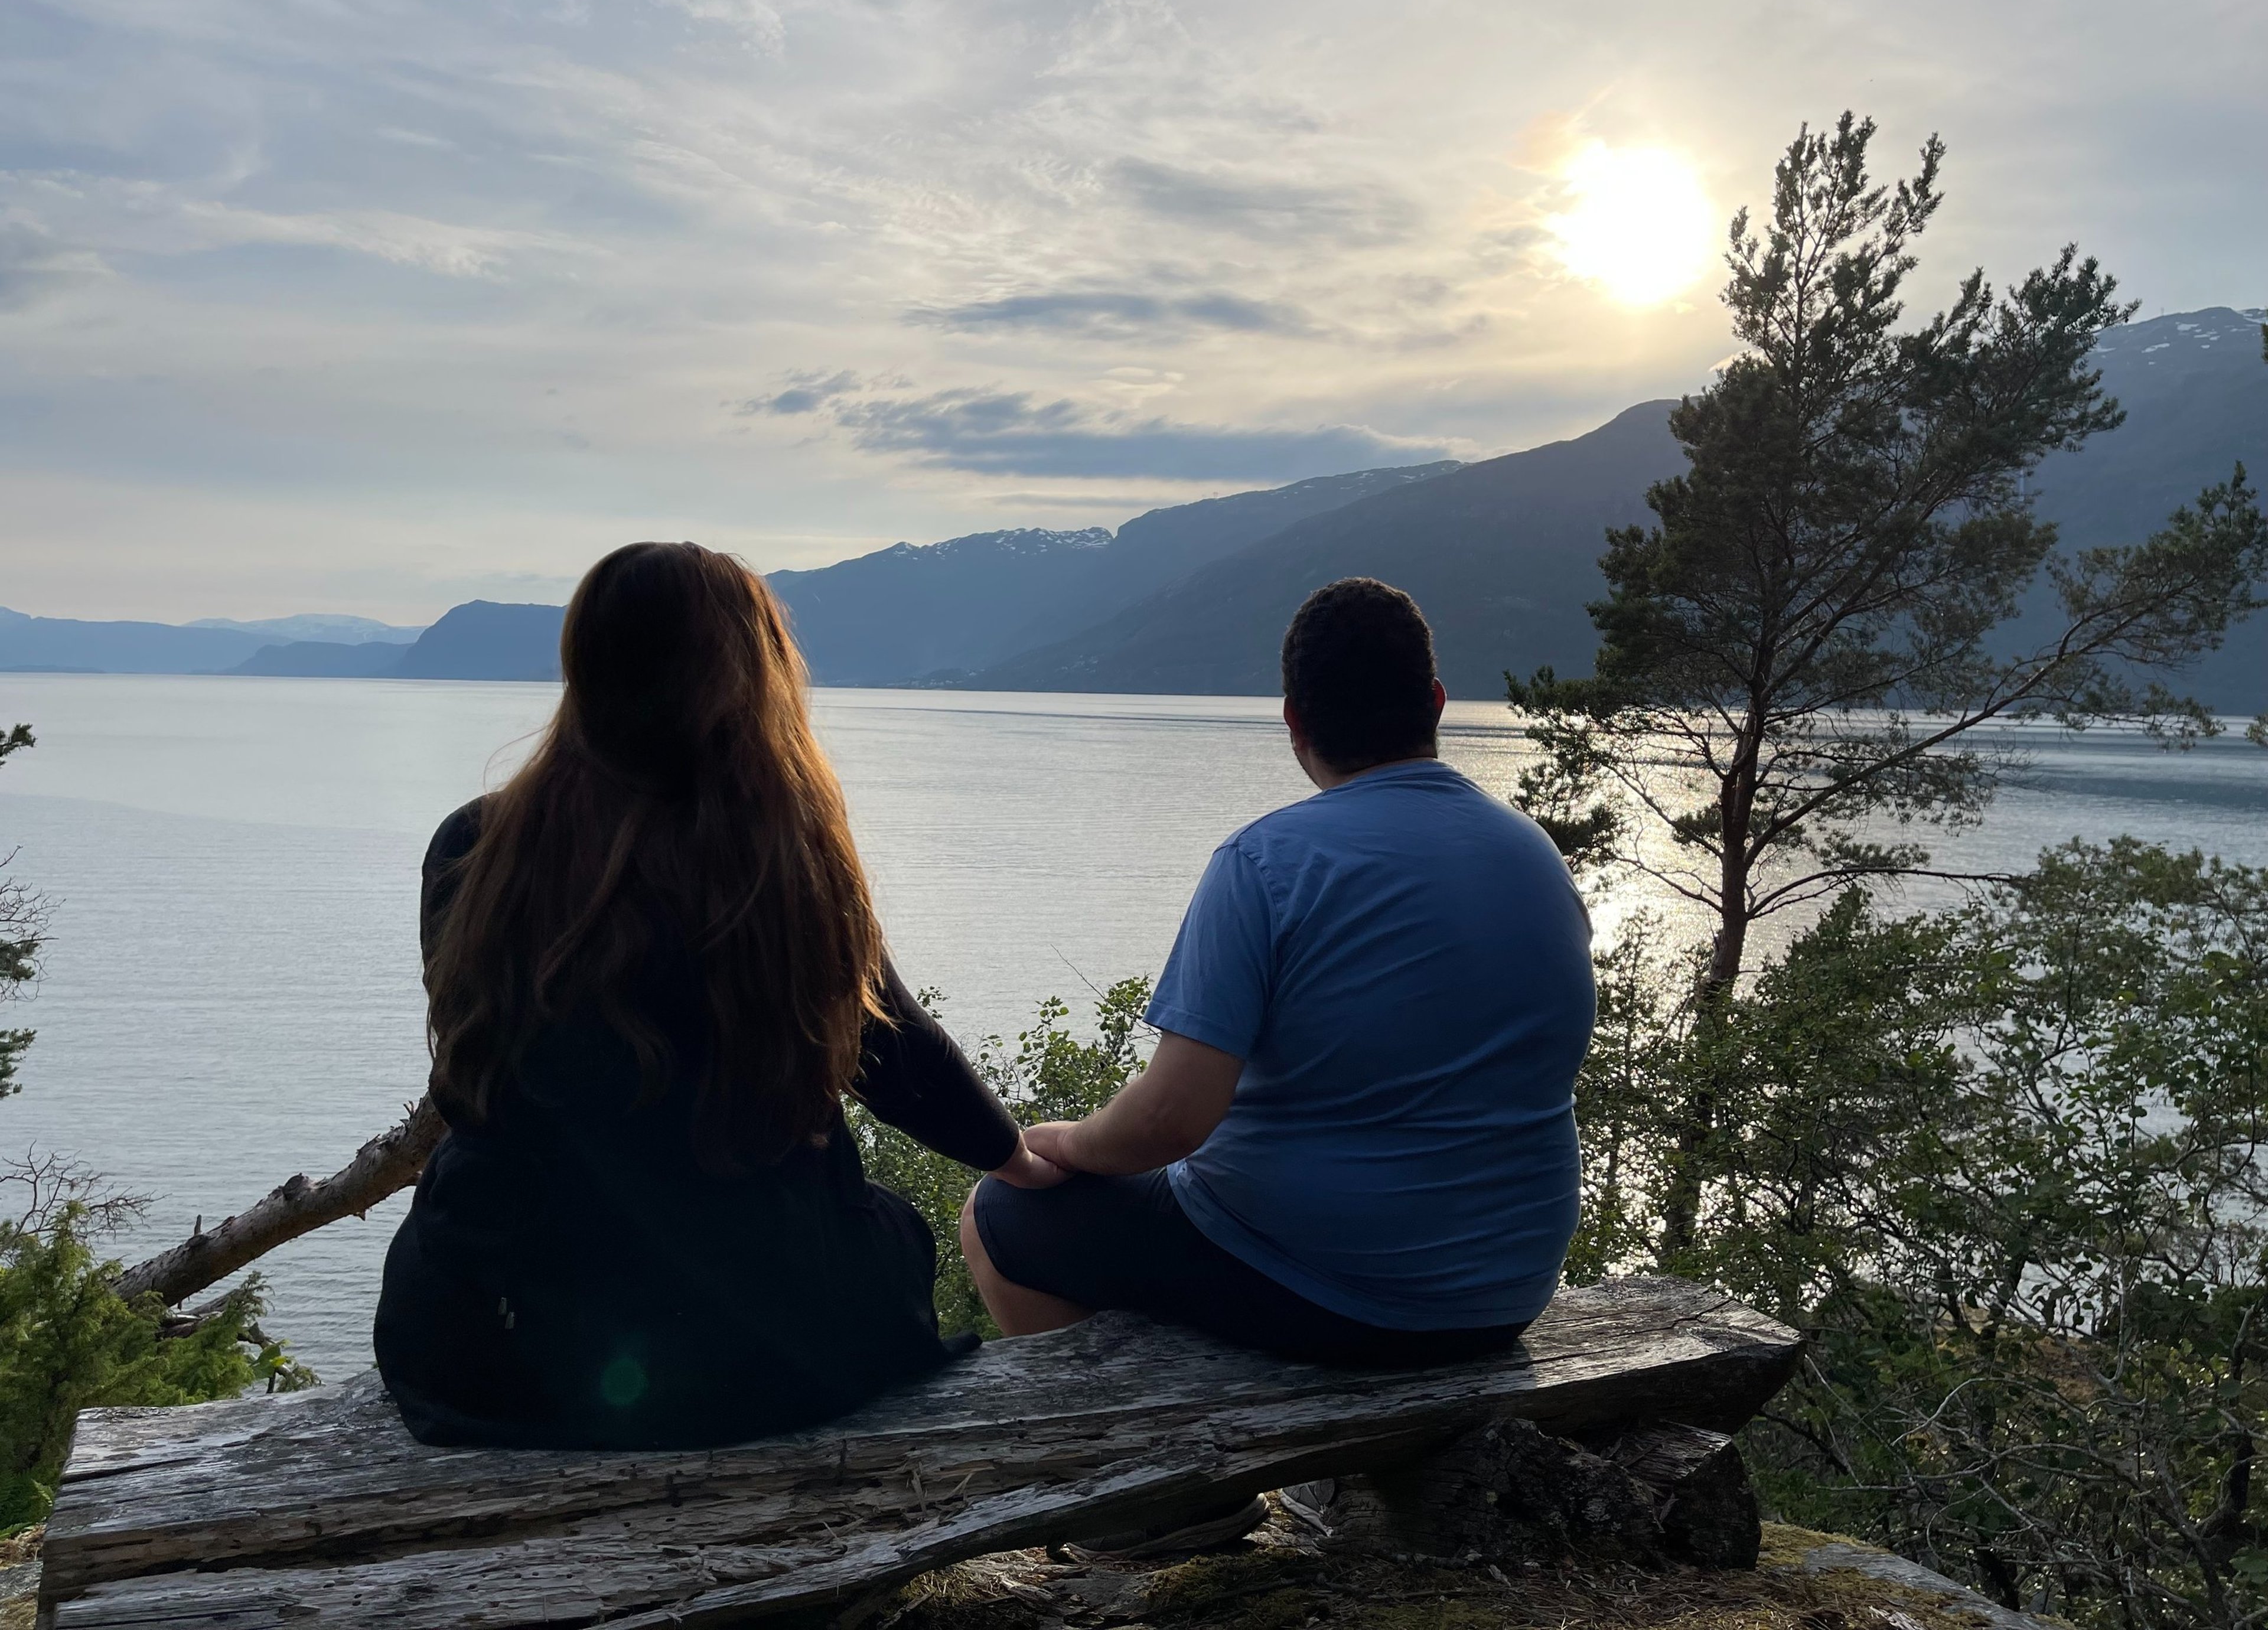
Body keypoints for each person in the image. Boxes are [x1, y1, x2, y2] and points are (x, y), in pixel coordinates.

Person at [374, 542, 1061, 1448]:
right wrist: (1021, 1161)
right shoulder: (782, 863)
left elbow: (480, 1063)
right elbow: (893, 1052)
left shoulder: (476, 849)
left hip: (492, 1345)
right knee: (895, 1233)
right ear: (753, 673)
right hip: (756, 1352)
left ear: (583, 663)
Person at [962, 576, 1594, 1368]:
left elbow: (1170, 1123)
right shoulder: (1533, 854)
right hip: (1505, 1293)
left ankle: (1131, 1435)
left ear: (1294, 719)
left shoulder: (1265, 862)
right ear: (1435, 703)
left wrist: (1064, 1142)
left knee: (1001, 1214)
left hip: (1331, 1292)